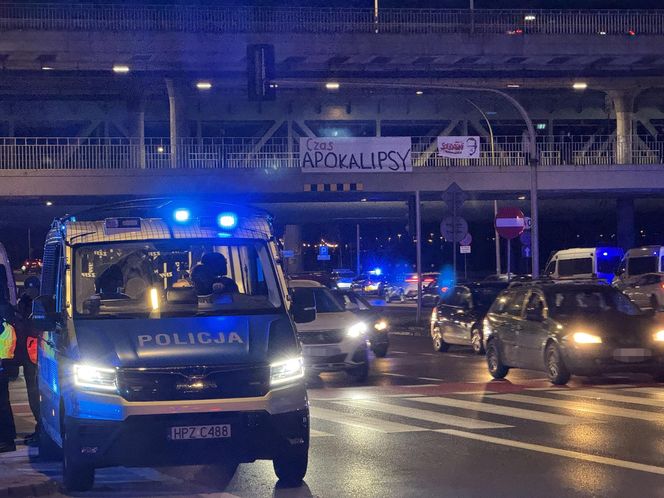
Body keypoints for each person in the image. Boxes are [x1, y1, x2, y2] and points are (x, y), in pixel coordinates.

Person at [0, 283, 17, 453]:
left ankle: (7, 439)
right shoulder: (6, 320)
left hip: (2, 368)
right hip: (4, 367)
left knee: (2, 406)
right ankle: (7, 438)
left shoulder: (4, 326)